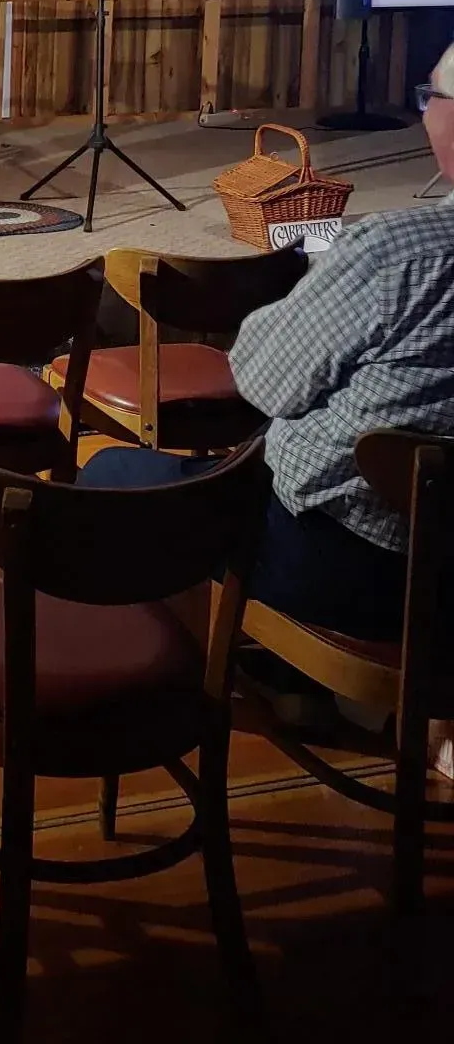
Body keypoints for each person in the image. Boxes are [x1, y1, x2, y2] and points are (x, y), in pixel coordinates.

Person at [80, 39, 454, 650]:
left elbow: (262, 378)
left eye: (429, 98)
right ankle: (296, 679)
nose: (422, 112)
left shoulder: (398, 253)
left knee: (108, 475)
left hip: (354, 561)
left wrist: (309, 299)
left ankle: (162, 686)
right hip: (437, 579)